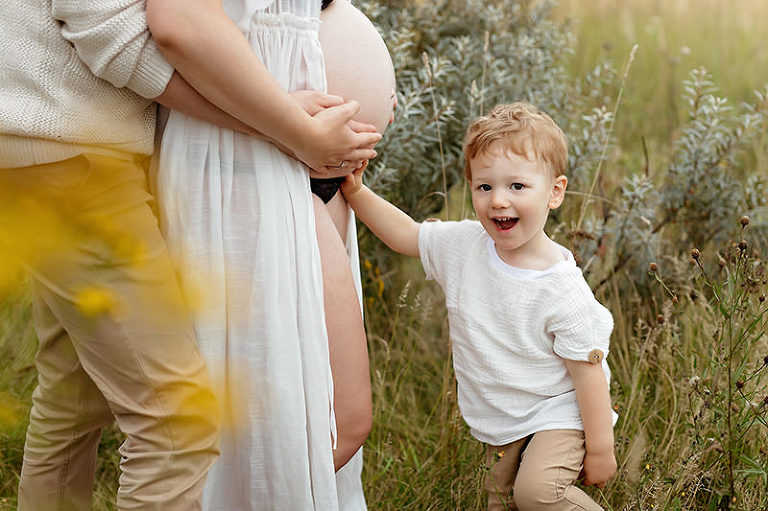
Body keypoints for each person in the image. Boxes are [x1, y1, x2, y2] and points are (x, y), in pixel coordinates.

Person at [0, 1, 378, 509]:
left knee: (74, 398)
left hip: (61, 140)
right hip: (70, 150)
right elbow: (118, 32)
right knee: (174, 425)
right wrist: (288, 128)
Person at [146, 0, 387, 508]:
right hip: (248, 159)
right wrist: (298, 131)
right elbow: (177, 21)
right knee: (319, 422)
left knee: (314, 420)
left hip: (305, 165)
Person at [341, 102, 618, 510]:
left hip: (560, 412)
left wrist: (600, 451)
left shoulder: (561, 288)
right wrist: (356, 193)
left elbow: (589, 376)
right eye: (484, 187)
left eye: (517, 187)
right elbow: (407, 236)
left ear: (554, 192)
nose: (498, 201)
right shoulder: (465, 246)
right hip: (504, 413)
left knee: (537, 494)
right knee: (500, 501)